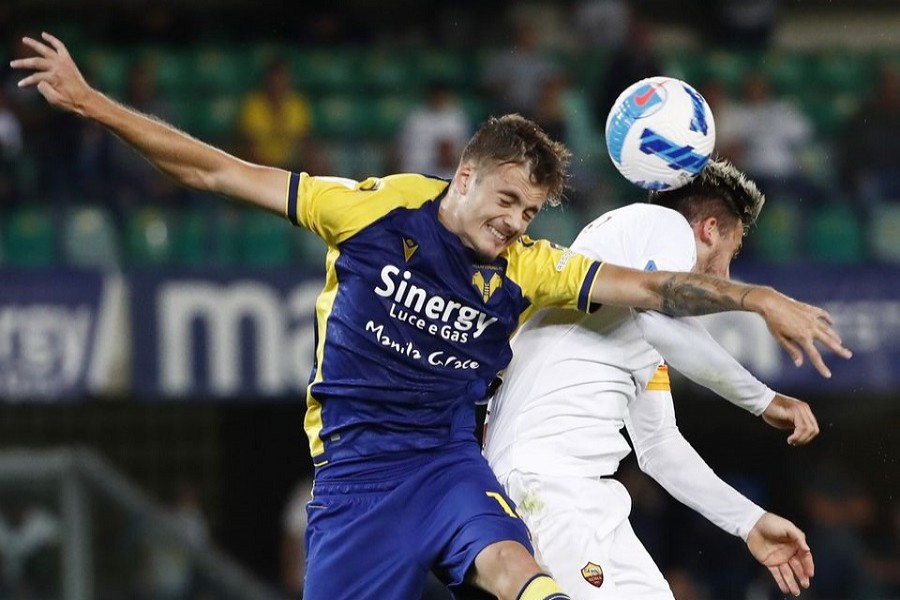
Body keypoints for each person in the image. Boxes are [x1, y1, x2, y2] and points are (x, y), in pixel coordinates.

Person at [11, 33, 850, 600]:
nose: (517, 223)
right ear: (464, 177)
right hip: (354, 478)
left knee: (512, 566)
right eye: (509, 201)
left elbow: (657, 292)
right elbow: (217, 174)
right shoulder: (371, 212)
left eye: (532, 212)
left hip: (450, 463)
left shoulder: (530, 267)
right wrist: (91, 104)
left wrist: (756, 298)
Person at [483, 160, 820, 599]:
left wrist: (748, 521)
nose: (726, 277)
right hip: (545, 482)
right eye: (731, 255)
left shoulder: (636, 318)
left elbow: (659, 446)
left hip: (590, 498)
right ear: (709, 229)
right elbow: (664, 323)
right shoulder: (661, 223)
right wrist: (764, 400)